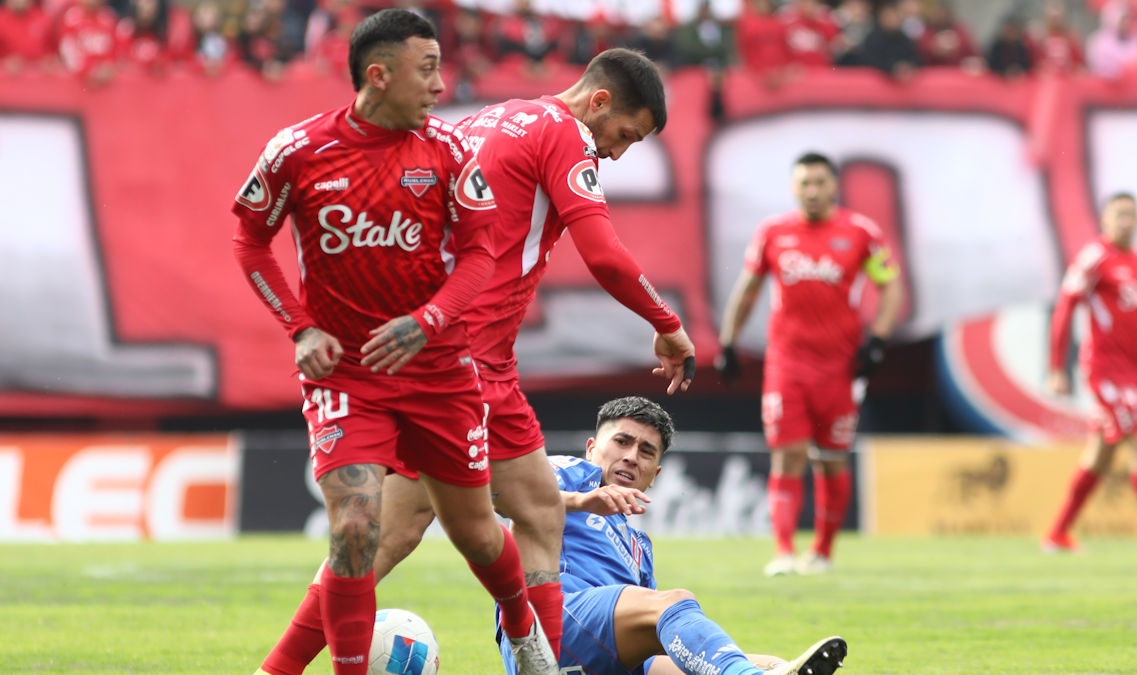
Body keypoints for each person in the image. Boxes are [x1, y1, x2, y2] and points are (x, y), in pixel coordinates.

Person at [252, 45, 697, 673]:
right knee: (395, 533)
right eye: (625, 134)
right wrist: (668, 325)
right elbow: (604, 254)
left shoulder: (493, 118)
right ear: (599, 101)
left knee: (531, 510)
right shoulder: (565, 133)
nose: (618, 153)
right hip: (464, 357)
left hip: (460, 350)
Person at [234, 9, 557, 675]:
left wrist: (429, 321)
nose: (440, 85)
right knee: (356, 528)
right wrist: (300, 326)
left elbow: (481, 252)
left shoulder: (448, 151)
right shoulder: (297, 150)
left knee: (475, 532)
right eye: (428, 69)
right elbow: (250, 241)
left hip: (438, 370)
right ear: (378, 75)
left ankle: (522, 627)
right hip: (346, 373)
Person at [497, 396, 849, 675]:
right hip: (545, 633)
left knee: (768, 663)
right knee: (674, 603)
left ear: (655, 475)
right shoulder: (568, 473)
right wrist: (582, 500)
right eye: (622, 442)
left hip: (598, 658)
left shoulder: (639, 548)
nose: (631, 457)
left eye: (646, 451)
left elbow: (649, 647)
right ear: (591, 448)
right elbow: (501, 496)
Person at [714, 152, 904, 577]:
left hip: (840, 369)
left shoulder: (861, 233)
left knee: (831, 459)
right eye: (805, 183)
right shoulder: (773, 233)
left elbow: (890, 287)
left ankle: (822, 552)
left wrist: (878, 339)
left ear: (834, 185)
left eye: (820, 182)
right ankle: (783, 551)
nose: (813, 191)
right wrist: (728, 342)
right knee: (788, 455)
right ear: (793, 188)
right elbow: (748, 289)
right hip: (787, 365)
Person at [1042, 192, 1137, 556]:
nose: (1125, 221)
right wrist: (1056, 367)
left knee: (1100, 455)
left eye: (1131, 214)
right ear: (1104, 220)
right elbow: (1065, 306)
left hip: (1131, 372)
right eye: (1118, 214)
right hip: (1105, 371)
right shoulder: (1095, 257)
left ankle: (1057, 535)